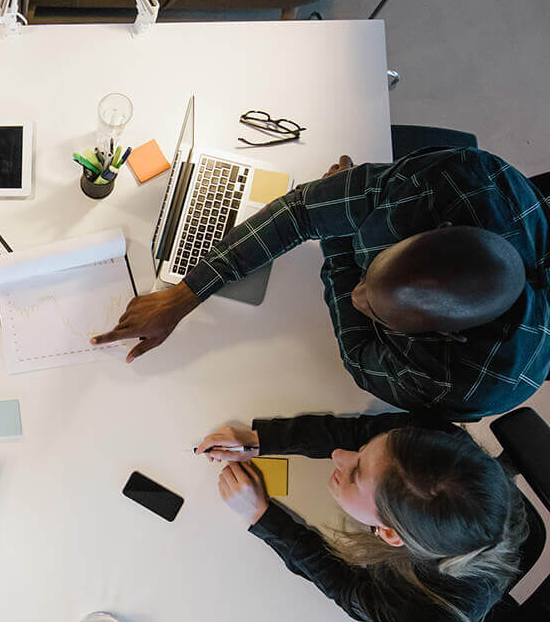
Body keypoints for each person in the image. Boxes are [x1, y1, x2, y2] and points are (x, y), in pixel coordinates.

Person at [92, 148, 550, 420]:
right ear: (428, 232)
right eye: (374, 272)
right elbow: (301, 211)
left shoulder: (467, 382)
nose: (357, 297)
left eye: (377, 311)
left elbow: (359, 359)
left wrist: (339, 244)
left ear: (445, 334)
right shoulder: (448, 181)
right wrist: (184, 294)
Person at [194, 411, 530, 622]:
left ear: (390, 534)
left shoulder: (426, 620)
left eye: (355, 474)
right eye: (366, 452)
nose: (339, 456)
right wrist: (262, 440)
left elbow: (345, 587)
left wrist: (262, 516)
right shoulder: (438, 442)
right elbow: (360, 431)